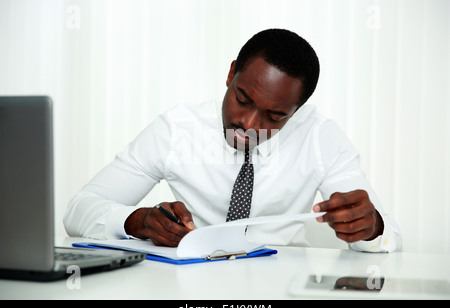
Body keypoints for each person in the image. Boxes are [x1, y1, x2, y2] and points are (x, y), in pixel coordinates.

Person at [64, 29, 401, 252]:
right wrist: (138, 222)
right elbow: (79, 210)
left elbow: (390, 241)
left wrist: (370, 227)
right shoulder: (176, 130)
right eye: (242, 99)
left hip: (281, 287)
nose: (249, 124)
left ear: (296, 111)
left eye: (275, 116)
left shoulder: (320, 137)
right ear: (231, 74)